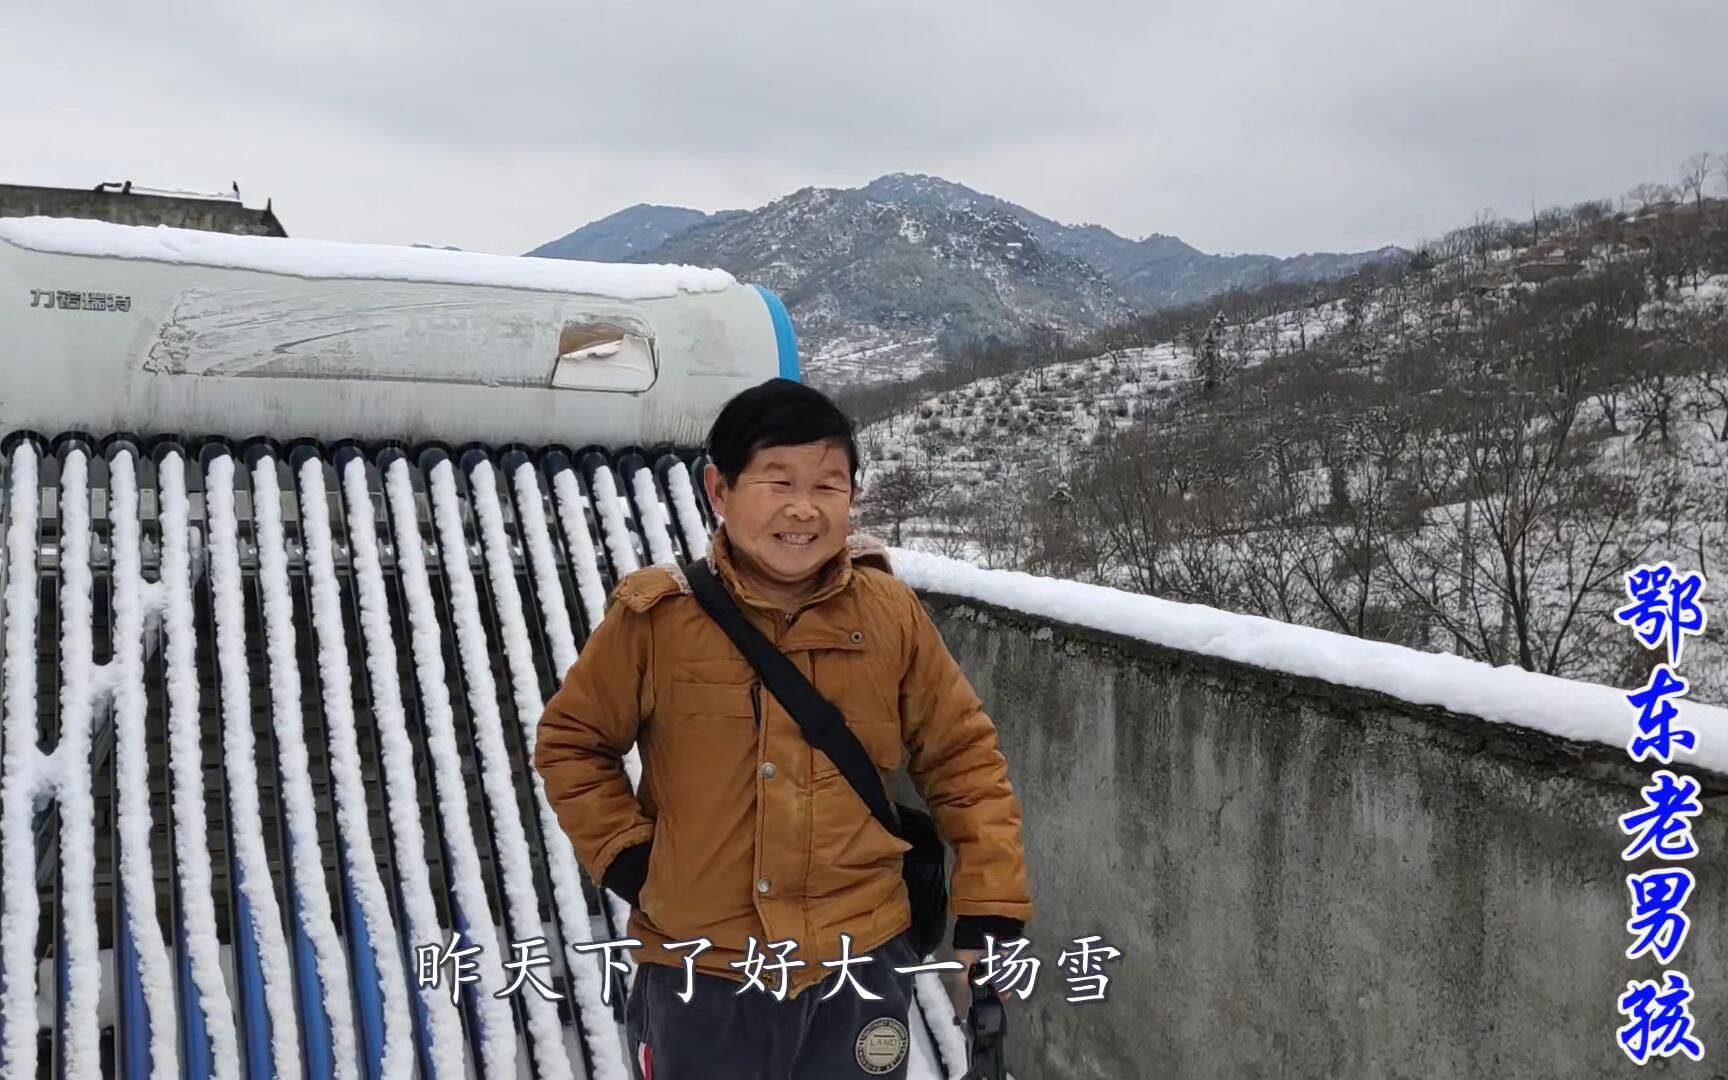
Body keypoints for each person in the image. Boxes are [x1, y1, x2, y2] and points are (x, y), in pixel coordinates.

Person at [534, 377, 1032, 1079]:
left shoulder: (889, 614)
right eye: (777, 481)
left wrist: (989, 912)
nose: (804, 508)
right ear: (719, 489)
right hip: (703, 964)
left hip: (860, 960)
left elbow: (963, 761)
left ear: (853, 495)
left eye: (829, 484)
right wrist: (632, 862)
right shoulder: (657, 619)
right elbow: (572, 743)